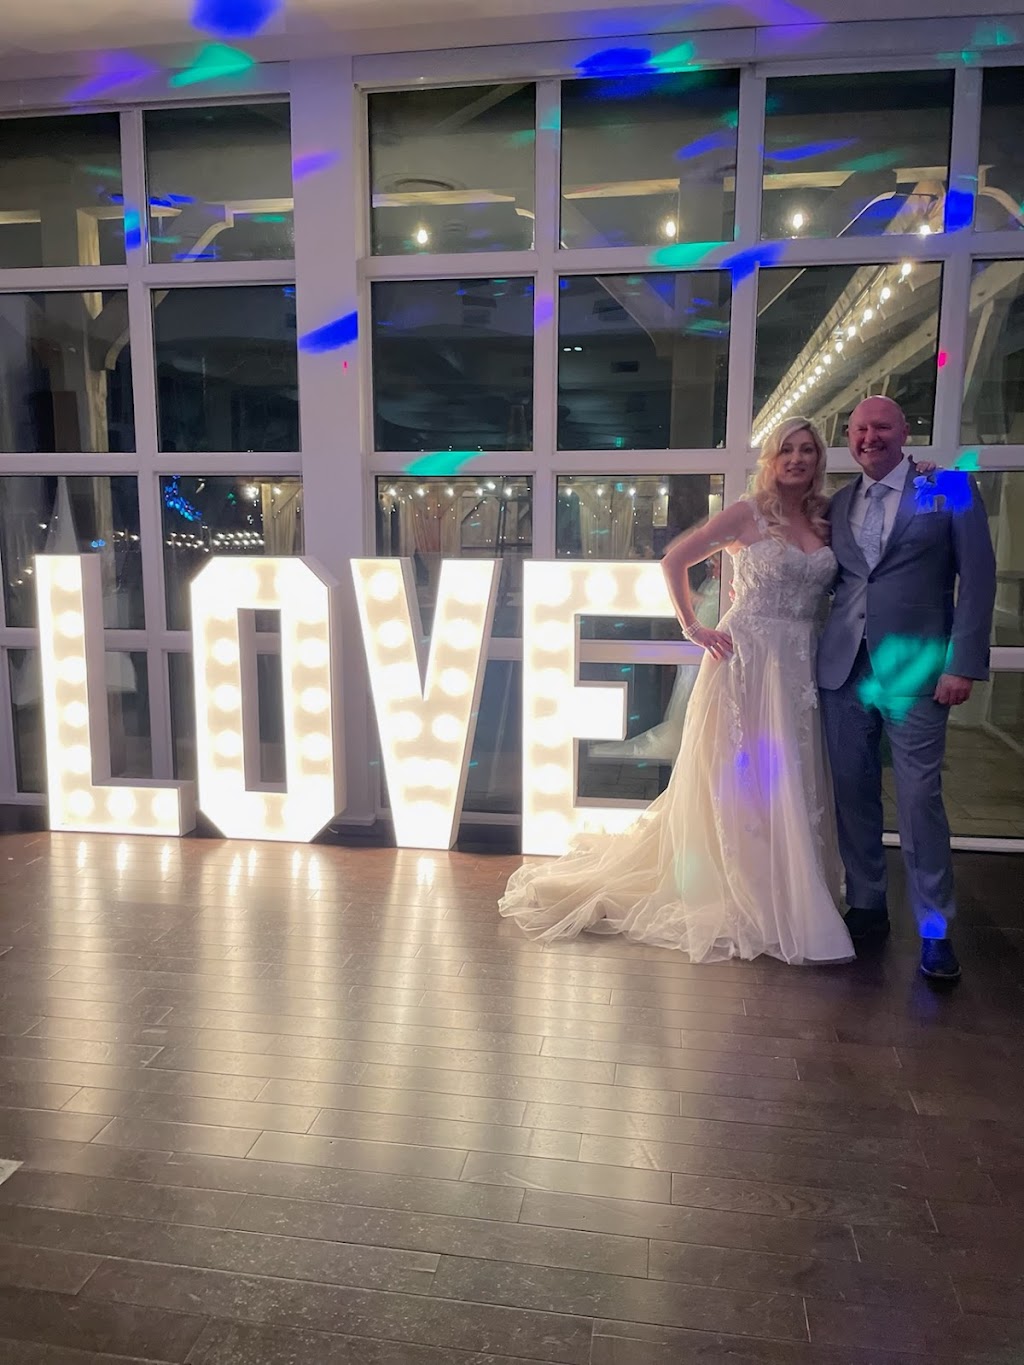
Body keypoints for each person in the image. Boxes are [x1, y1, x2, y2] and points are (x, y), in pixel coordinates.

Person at [499, 417, 855, 966]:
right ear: (771, 458)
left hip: (799, 665)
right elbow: (675, 560)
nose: (797, 459)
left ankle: (793, 888)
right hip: (745, 659)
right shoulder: (747, 512)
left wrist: (930, 478)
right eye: (787, 449)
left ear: (818, 459)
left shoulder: (827, 515)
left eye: (807, 450)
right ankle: (746, 889)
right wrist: (692, 626)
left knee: (791, 772)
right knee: (742, 780)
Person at [818, 395, 996, 983]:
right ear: (849, 436)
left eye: (882, 427)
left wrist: (963, 664)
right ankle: (867, 905)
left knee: (919, 801)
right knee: (853, 794)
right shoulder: (839, 503)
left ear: (905, 432)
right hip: (844, 669)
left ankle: (936, 928)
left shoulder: (948, 488)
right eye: (859, 429)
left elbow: (978, 579)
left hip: (918, 672)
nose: (870, 437)